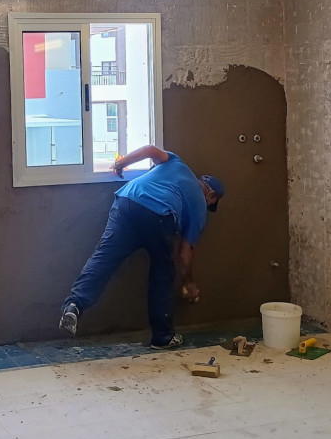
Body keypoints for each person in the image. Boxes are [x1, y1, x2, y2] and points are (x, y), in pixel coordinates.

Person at [59, 145, 224, 349]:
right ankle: (162, 337)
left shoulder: (177, 163)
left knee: (103, 259)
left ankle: (74, 305)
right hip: (159, 216)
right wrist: (189, 282)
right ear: (211, 196)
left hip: (127, 202)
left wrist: (121, 163)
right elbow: (185, 253)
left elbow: (151, 150)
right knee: (162, 274)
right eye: (211, 203)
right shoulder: (200, 205)